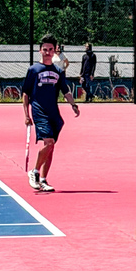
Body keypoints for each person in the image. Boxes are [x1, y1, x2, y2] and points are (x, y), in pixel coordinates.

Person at [22, 34, 80, 192]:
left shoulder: (58, 71)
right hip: (39, 110)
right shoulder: (33, 70)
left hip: (53, 112)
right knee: (48, 143)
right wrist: (26, 115)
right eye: (45, 49)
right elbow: (26, 93)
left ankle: (43, 179)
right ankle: (34, 172)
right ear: (40, 50)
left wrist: (73, 105)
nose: (47, 52)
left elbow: (65, 90)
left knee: (51, 146)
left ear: (55, 51)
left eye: (51, 50)